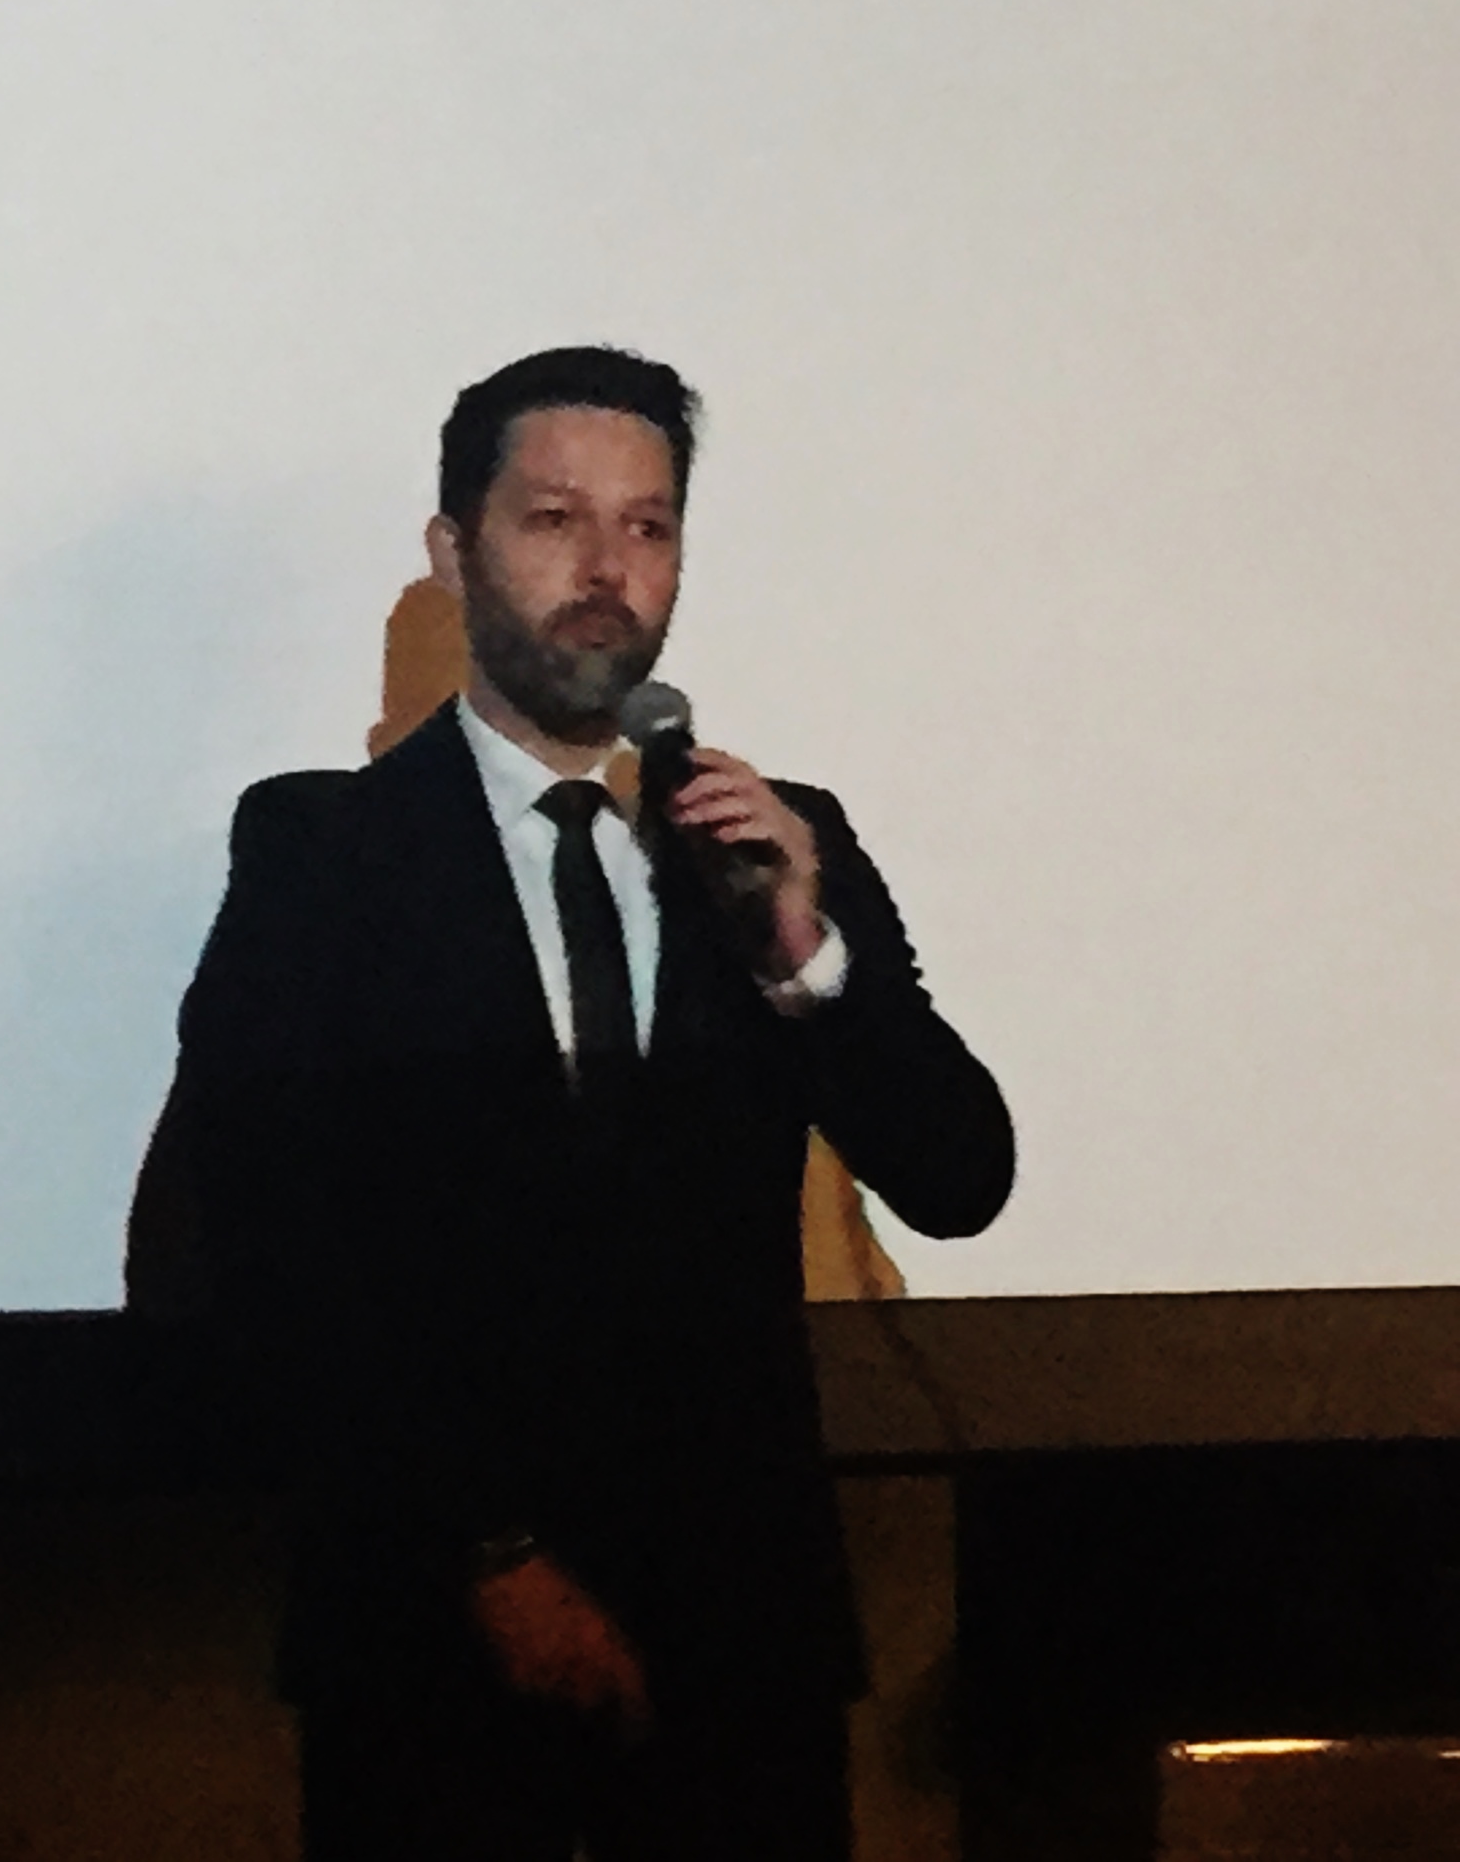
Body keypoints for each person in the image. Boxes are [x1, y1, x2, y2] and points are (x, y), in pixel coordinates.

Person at [126, 347, 1013, 1860]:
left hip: (741, 1646)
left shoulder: (774, 842)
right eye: (555, 520)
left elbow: (958, 1175)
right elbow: (270, 1252)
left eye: (648, 527)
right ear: (453, 550)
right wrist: (491, 1554)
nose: (608, 570)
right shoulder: (321, 854)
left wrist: (806, 957)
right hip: (432, 1642)